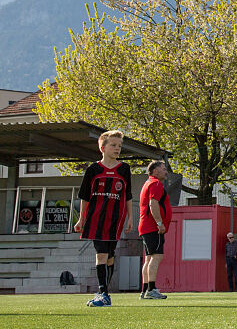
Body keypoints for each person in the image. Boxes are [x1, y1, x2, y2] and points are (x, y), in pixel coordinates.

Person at [73, 129, 134, 307]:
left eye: (119, 146)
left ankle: (103, 292)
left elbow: (128, 195)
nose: (117, 148)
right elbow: (84, 196)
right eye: (113, 145)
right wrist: (81, 219)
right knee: (101, 254)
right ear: (102, 148)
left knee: (110, 256)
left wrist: (131, 217)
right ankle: (104, 294)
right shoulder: (93, 169)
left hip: (116, 219)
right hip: (96, 218)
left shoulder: (124, 169)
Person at [138, 160, 171, 300]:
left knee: (149, 258)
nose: (166, 172)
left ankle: (145, 290)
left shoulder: (148, 183)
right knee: (156, 256)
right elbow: (153, 203)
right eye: (163, 169)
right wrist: (159, 223)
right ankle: (151, 290)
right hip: (152, 227)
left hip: (146, 226)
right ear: (155, 171)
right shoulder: (155, 183)